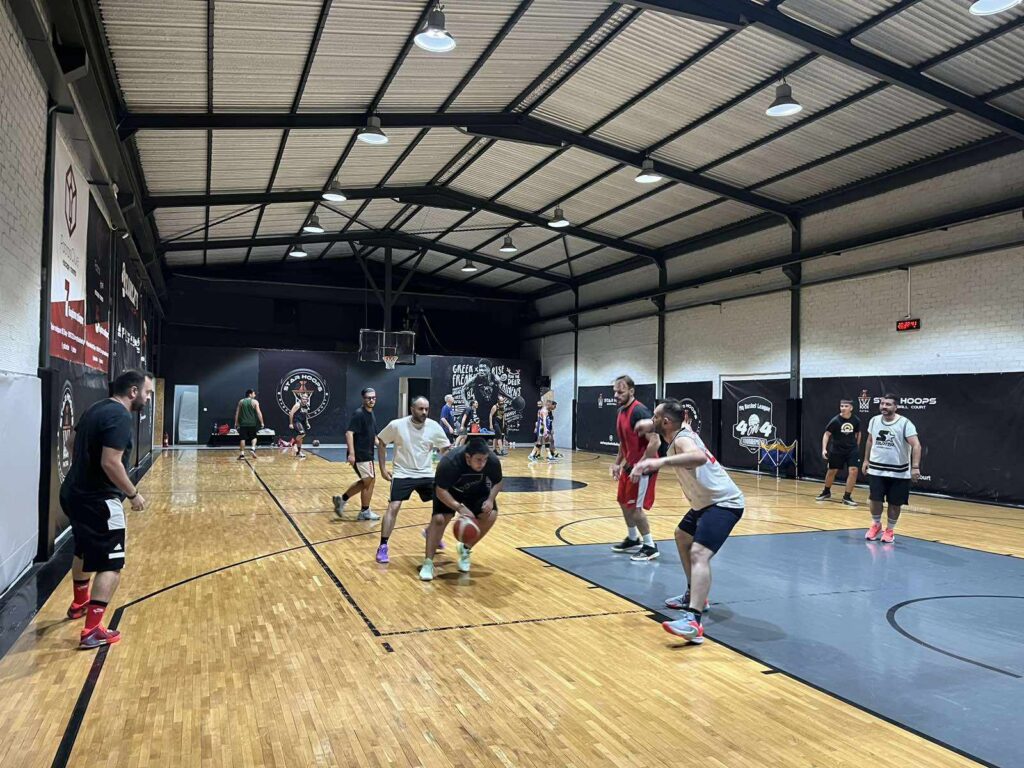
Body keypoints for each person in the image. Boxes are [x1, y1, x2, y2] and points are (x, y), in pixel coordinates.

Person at [631, 399, 745, 645]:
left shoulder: (683, 439)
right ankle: (694, 595)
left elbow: (698, 457)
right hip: (704, 504)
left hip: (724, 503)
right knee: (682, 535)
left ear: (666, 422)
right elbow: (663, 423)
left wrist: (658, 462)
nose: (651, 420)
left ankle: (693, 621)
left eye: (655, 417)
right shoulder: (678, 430)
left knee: (699, 554)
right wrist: (645, 425)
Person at [60, 369, 154, 649]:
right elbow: (110, 462)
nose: (149, 398)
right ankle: (92, 630)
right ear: (133, 392)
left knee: (83, 549)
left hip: (73, 492)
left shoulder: (96, 408)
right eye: (147, 393)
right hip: (99, 500)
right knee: (111, 564)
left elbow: (71, 443)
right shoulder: (120, 416)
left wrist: (85, 470)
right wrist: (133, 494)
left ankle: (80, 603)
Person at [374, 397, 451, 563]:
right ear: (412, 409)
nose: (424, 412)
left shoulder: (434, 426)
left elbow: (445, 448)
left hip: (426, 474)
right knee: (393, 507)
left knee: (447, 504)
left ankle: (431, 532)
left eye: (426, 409)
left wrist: (445, 468)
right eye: (420, 409)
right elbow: (381, 441)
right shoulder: (397, 425)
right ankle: (383, 546)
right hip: (402, 473)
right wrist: (382, 469)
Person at [421, 436, 502, 581]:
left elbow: (498, 481)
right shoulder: (449, 462)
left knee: (490, 515)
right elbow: (440, 490)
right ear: (468, 457)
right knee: (439, 519)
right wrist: (459, 508)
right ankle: (428, 563)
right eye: (478, 460)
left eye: (484, 459)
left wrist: (490, 500)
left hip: (476, 491)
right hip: (449, 491)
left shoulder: (492, 460)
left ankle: (465, 549)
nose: (482, 463)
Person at [610, 375, 660, 561]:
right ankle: (633, 539)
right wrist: (617, 463)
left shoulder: (640, 411)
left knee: (635, 509)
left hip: (643, 468)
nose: (616, 395)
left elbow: (655, 442)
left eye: (620, 392)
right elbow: (624, 442)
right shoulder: (621, 411)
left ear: (631, 391)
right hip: (629, 466)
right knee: (623, 502)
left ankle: (650, 546)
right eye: (615, 392)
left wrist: (641, 465)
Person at [861, 394, 922, 544]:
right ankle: (876, 525)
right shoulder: (874, 420)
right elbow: (870, 440)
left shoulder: (905, 423)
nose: (884, 406)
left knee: (895, 503)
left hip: (899, 472)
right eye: (882, 403)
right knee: (875, 499)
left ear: (896, 407)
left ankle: (890, 530)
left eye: (888, 404)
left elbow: (916, 445)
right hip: (876, 469)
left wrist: (915, 467)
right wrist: (866, 460)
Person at [333, 388, 381, 521]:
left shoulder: (371, 414)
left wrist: (381, 445)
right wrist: (352, 454)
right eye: (368, 398)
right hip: (361, 454)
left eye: (373, 398)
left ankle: (347, 502)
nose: (371, 400)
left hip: (368, 453)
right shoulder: (359, 414)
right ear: (363, 399)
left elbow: (374, 435)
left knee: (369, 481)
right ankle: (358, 508)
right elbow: (349, 433)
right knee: (369, 480)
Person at [816, 399, 862, 505]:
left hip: (852, 450)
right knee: (832, 471)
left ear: (851, 408)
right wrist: (824, 449)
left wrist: (857, 446)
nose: (843, 408)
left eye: (846, 406)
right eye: (842, 406)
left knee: (853, 471)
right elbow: (826, 434)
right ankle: (826, 491)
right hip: (837, 450)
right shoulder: (835, 420)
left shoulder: (856, 420)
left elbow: (858, 433)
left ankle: (847, 497)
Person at [234, 389, 265, 460]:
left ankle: (242, 454)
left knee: (242, 438)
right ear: (250, 394)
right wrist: (262, 422)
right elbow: (259, 413)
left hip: (243, 423)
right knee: (254, 437)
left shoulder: (241, 401)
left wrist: (236, 422)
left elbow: (237, 413)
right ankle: (252, 449)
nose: (255, 395)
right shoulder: (255, 402)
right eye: (254, 394)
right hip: (252, 423)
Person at [288, 386, 312, 459]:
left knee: (301, 438)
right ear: (301, 399)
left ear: (307, 399)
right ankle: (293, 442)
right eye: (303, 398)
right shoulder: (297, 405)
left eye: (306, 398)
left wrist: (307, 423)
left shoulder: (306, 406)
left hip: (301, 422)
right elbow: (291, 413)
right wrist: (291, 423)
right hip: (296, 422)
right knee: (302, 434)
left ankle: (298, 452)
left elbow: (305, 416)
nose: (304, 400)